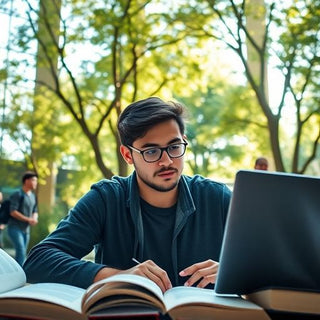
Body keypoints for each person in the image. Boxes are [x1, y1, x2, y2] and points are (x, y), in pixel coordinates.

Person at [23, 97, 232, 293]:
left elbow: (263, 259)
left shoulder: (217, 198)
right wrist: (120, 277)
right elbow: (38, 261)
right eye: (151, 151)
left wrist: (229, 271)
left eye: (174, 147)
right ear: (127, 155)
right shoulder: (106, 199)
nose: (167, 161)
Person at [7, 171, 39, 265]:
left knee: (23, 252)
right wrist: (29, 219)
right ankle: (20, 274)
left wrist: (34, 218)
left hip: (26, 230)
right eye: (33, 180)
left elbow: (35, 210)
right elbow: (13, 212)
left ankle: (17, 271)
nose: (35, 183)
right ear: (26, 181)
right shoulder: (17, 194)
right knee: (21, 251)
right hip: (14, 228)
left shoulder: (33, 196)